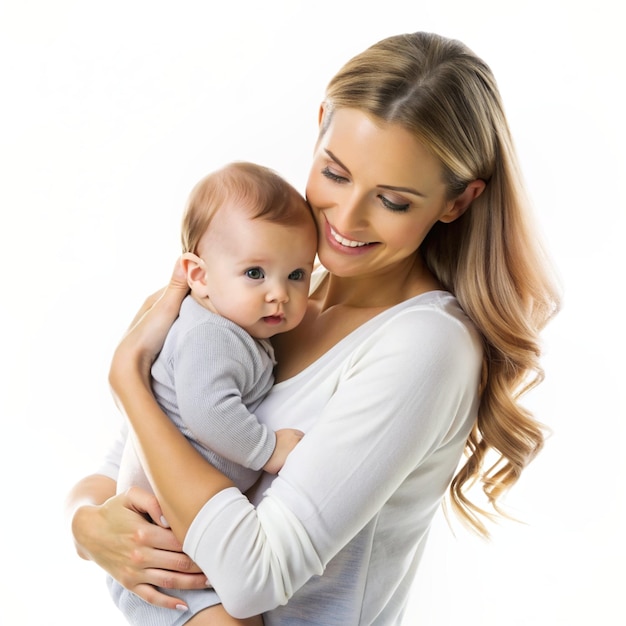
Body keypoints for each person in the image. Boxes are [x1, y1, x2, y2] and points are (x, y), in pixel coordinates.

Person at [67, 32, 561, 625]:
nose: (346, 219)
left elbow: (254, 580)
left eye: (394, 201)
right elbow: (125, 461)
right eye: (335, 172)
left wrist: (127, 378)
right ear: (321, 122)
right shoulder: (270, 293)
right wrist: (86, 522)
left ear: (456, 202)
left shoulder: (425, 347)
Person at [107, 160, 317, 626]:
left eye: (298, 274)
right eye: (256, 273)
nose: (279, 294)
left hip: (182, 537)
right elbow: (207, 413)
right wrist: (268, 449)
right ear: (199, 276)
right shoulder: (211, 335)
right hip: (164, 552)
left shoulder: (234, 326)